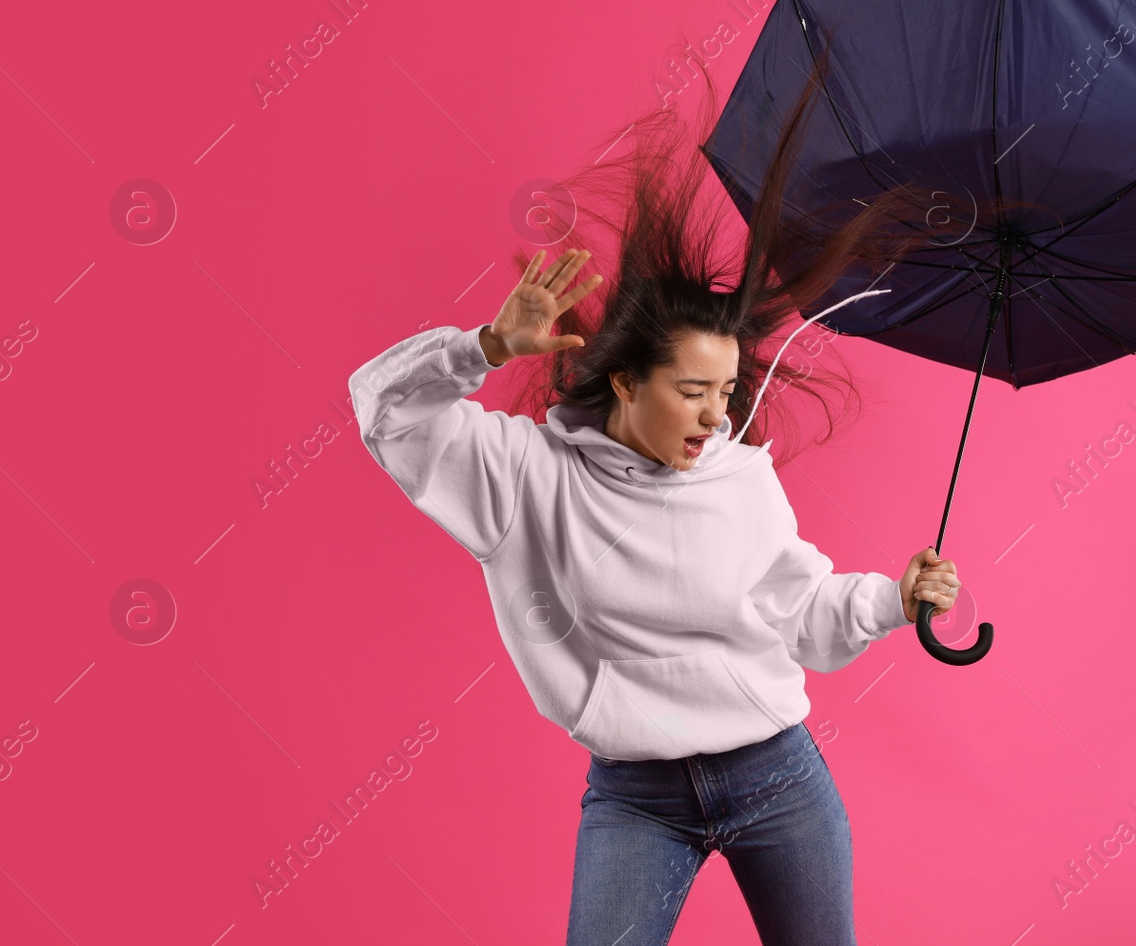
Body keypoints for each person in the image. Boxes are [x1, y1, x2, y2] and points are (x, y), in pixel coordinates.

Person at [347, 47, 964, 945]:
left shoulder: (740, 478)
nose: (717, 417)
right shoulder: (526, 479)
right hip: (636, 797)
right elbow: (384, 412)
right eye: (692, 391)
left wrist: (895, 599)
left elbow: (799, 609)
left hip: (778, 778)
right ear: (627, 383)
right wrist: (481, 346)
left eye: (725, 392)